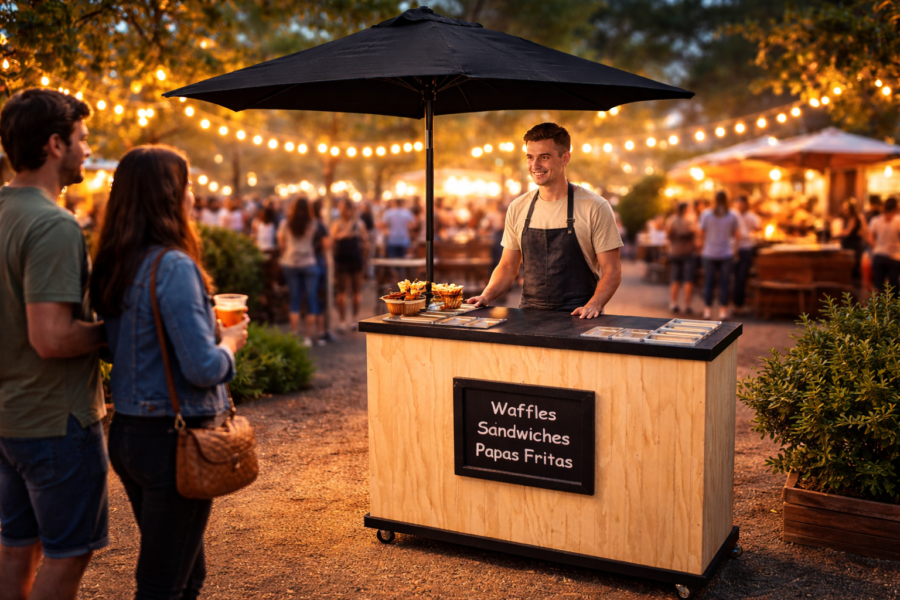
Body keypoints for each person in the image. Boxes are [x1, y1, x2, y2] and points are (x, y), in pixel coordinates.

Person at [91, 145, 248, 599]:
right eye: (188, 185)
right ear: (168, 195)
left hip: (131, 435)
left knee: (184, 574)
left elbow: (142, 338)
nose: (194, 196)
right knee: (163, 584)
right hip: (172, 440)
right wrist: (230, 343)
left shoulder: (119, 261)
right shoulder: (173, 265)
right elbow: (203, 368)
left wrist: (204, 327)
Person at [0, 88, 108, 600]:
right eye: (82, 139)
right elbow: (52, 337)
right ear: (54, 145)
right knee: (69, 552)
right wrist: (117, 331)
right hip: (56, 418)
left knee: (17, 545)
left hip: (9, 415)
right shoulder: (52, 224)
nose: (87, 150)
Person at [469, 123, 623, 317]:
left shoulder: (595, 207)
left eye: (545, 157)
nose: (535, 165)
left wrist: (594, 305)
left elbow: (612, 270)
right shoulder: (518, 207)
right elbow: (508, 266)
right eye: (530, 157)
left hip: (579, 314)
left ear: (565, 158)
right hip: (529, 314)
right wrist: (486, 296)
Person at [278, 196, 321, 346]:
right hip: (309, 262)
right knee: (311, 300)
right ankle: (308, 337)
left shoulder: (285, 223)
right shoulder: (313, 223)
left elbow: (281, 244)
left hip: (290, 262)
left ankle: (295, 334)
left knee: (294, 300)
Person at [698, 191, 741, 320]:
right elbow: (738, 236)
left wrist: (703, 245)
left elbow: (700, 233)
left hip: (709, 252)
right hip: (726, 253)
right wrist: (734, 248)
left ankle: (707, 311)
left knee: (709, 282)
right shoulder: (732, 215)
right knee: (725, 283)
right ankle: (723, 312)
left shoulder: (706, 214)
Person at [331, 199, 370, 332]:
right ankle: (353, 319)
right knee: (355, 290)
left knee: (344, 291)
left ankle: (344, 321)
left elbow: (332, 241)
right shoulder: (359, 224)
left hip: (343, 258)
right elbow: (366, 243)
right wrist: (365, 258)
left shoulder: (337, 224)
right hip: (354, 258)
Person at [665, 202, 697, 313]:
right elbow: (696, 234)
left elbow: (668, 235)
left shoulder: (671, 220)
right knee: (688, 279)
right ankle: (687, 305)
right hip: (688, 251)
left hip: (675, 251)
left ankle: (674, 303)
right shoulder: (691, 221)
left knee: (675, 278)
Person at [732, 195, 761, 314]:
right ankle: (735, 304)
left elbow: (759, 227)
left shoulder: (751, 216)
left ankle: (738, 304)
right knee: (735, 278)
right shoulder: (733, 215)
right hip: (735, 249)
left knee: (741, 278)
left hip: (744, 249)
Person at [867, 196, 900, 293]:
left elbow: (870, 238)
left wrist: (877, 247)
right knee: (894, 285)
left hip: (879, 255)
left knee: (878, 284)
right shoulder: (898, 221)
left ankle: (876, 306)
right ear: (896, 207)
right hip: (895, 256)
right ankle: (894, 307)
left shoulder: (875, 220)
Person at [839, 198, 868, 282]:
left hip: (853, 245)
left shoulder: (855, 218)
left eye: (846, 209)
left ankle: (853, 289)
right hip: (854, 244)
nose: (845, 211)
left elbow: (849, 232)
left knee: (853, 266)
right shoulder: (857, 217)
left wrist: (839, 233)